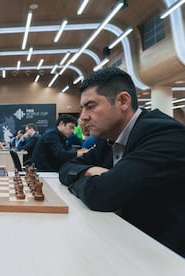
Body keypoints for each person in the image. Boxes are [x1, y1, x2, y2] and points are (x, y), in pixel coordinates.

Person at [59, 67, 185, 257]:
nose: (83, 117)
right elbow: (65, 168)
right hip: (123, 241)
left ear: (123, 101)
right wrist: (89, 171)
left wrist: (81, 181)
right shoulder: (108, 138)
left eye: (90, 106)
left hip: (163, 254)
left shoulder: (165, 134)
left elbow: (102, 195)